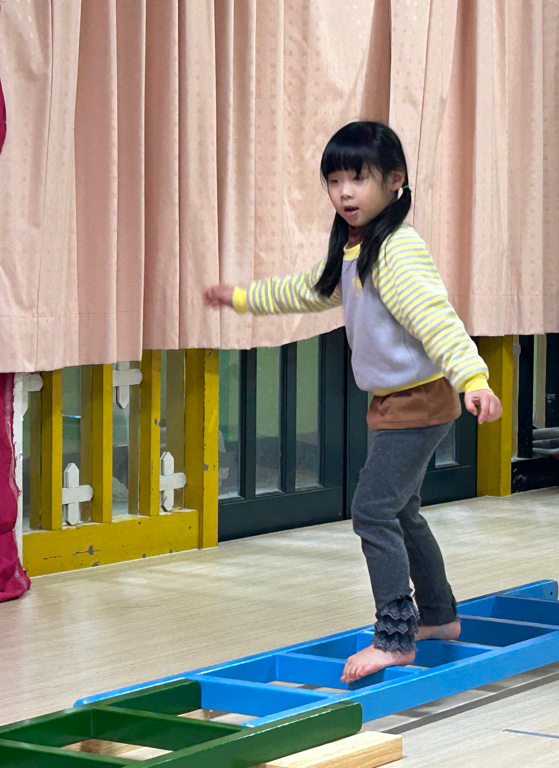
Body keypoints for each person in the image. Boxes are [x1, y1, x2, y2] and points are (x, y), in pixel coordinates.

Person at [204, 121, 502, 681]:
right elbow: (308, 289)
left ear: (395, 181)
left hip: (418, 402)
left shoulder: (396, 251)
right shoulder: (357, 246)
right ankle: (438, 617)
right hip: (397, 402)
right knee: (400, 509)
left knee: (372, 509)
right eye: (334, 181)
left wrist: (474, 380)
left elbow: (437, 320)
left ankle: (396, 637)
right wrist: (242, 298)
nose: (344, 193)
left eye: (358, 180)